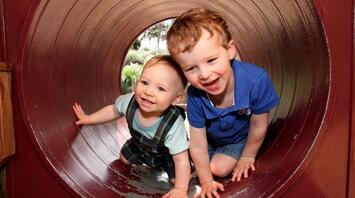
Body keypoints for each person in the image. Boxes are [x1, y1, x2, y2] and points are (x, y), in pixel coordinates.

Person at [167, 8, 280, 198]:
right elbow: (198, 143)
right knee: (181, 164)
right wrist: (206, 182)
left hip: (239, 139)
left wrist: (247, 156)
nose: (204, 74)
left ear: (230, 50)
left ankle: (221, 160)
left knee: (217, 168)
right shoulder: (195, 96)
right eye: (191, 68)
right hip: (211, 141)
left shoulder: (256, 81)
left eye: (211, 60)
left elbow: (258, 125)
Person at [72, 55, 191, 198]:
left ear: (176, 99)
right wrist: (88, 118)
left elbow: (180, 159)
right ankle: (144, 159)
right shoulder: (129, 101)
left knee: (176, 180)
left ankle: (192, 169)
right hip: (140, 147)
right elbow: (112, 111)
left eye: (160, 88)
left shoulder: (173, 125)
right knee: (123, 159)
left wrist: (180, 190)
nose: (148, 91)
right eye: (145, 82)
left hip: (168, 156)